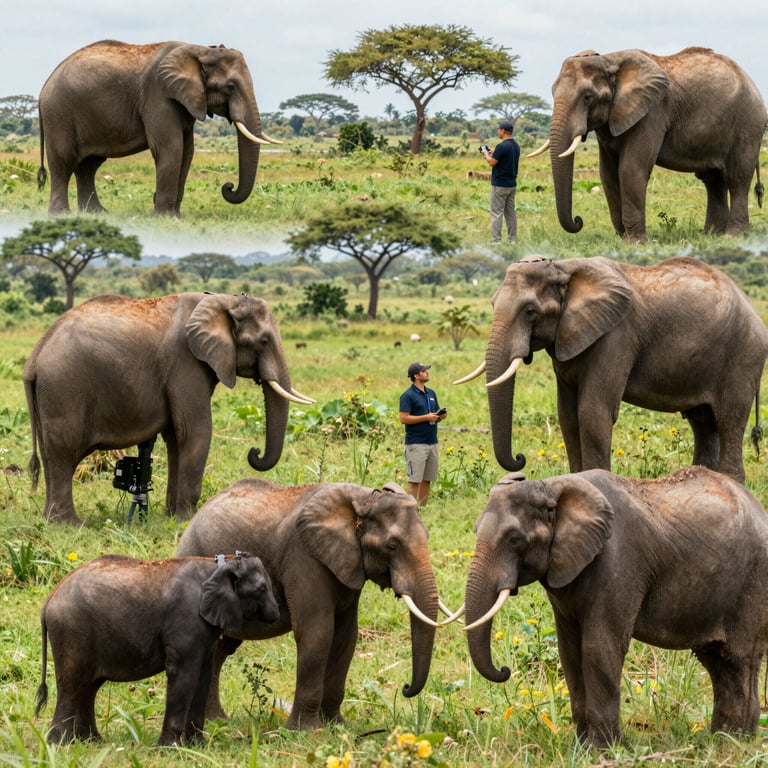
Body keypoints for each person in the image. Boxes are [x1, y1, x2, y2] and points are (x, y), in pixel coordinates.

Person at [399, 362, 447, 507]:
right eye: (424, 371)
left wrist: (440, 417)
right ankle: (410, 511)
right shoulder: (407, 396)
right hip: (416, 443)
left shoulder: (431, 393)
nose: (427, 372)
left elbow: (433, 416)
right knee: (414, 481)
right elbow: (403, 418)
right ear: (416, 376)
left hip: (432, 442)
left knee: (427, 480)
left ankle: (422, 508)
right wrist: (426, 417)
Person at [480, 119, 521, 243]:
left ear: (502, 131)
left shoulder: (501, 146)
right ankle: (512, 240)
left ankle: (496, 241)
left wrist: (486, 154)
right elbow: (504, 157)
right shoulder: (516, 145)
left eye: (499, 130)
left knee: (496, 213)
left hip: (499, 186)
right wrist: (494, 152)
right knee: (510, 213)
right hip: (511, 185)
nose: (498, 131)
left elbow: (492, 162)